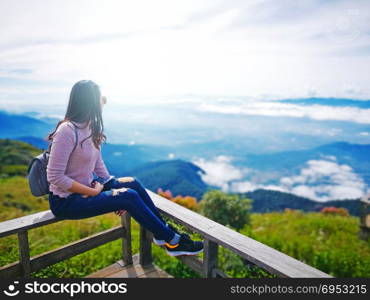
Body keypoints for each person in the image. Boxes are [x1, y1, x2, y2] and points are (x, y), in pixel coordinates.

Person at [46, 80, 203, 256]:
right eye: (100, 98)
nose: (103, 102)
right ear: (89, 101)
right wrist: (100, 194)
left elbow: (99, 167)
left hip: (88, 190)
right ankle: (173, 241)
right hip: (66, 202)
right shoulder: (67, 130)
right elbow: (55, 176)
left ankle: (164, 234)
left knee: (132, 184)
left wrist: (115, 194)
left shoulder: (90, 128)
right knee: (128, 195)